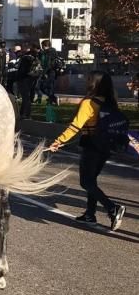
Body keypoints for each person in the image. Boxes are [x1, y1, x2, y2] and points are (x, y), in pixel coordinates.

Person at [49, 71, 127, 231]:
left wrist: (58, 141)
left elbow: (75, 126)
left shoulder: (89, 103)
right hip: (106, 146)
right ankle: (90, 214)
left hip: (91, 145)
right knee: (92, 181)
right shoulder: (110, 101)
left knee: (86, 182)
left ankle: (112, 208)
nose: (86, 81)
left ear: (95, 83)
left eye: (89, 79)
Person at [16, 44, 40, 120]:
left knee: (26, 98)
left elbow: (21, 70)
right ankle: (22, 113)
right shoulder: (36, 58)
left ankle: (27, 114)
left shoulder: (25, 58)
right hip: (32, 79)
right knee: (26, 97)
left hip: (23, 79)